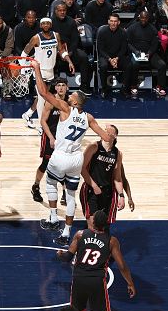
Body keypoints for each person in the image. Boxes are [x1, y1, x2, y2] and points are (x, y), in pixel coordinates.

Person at [32, 60, 114, 246]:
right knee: (70, 195)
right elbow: (106, 139)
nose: (70, 96)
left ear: (76, 101)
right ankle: (67, 232)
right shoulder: (89, 117)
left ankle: (53, 218)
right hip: (77, 159)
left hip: (61, 155)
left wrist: (37, 69)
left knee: (51, 183)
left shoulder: (65, 108)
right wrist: (110, 131)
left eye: (73, 95)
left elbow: (44, 92)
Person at [56, 210, 136, 311]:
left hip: (79, 280)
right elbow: (122, 266)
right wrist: (130, 283)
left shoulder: (80, 234)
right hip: (97, 282)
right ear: (105, 224)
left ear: (93, 222)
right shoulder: (112, 241)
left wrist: (60, 254)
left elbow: (67, 258)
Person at [21, 17, 75, 131]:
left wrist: (69, 61)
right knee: (42, 98)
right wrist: (23, 68)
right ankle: (42, 126)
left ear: (51, 25)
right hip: (39, 71)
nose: (45, 25)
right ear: (40, 26)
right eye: (43, 24)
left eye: (48, 23)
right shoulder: (36, 38)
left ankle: (28, 114)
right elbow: (24, 52)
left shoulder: (56, 35)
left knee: (45, 97)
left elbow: (62, 50)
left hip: (50, 71)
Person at [80, 124, 126, 229]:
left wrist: (122, 196)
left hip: (107, 193)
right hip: (91, 190)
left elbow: (117, 179)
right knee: (93, 226)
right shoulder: (94, 147)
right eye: (104, 130)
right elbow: (81, 168)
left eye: (107, 131)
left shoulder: (117, 153)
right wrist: (94, 186)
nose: (103, 132)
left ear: (114, 136)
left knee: (104, 227)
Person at [31, 77, 70, 203]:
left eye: (63, 85)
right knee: (46, 164)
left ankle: (64, 192)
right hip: (50, 135)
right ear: (55, 88)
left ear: (67, 87)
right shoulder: (51, 101)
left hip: (63, 138)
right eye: (58, 85)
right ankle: (36, 186)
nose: (61, 88)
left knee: (64, 165)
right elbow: (42, 121)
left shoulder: (70, 101)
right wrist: (51, 138)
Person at [52, 2, 92, 95]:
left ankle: (84, 86)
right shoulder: (51, 23)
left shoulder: (71, 22)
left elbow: (75, 40)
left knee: (83, 57)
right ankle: (54, 86)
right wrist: (60, 52)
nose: (62, 12)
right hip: (56, 51)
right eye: (60, 11)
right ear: (56, 11)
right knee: (50, 59)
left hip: (70, 51)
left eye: (64, 10)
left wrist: (70, 52)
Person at [127, 10, 167, 96]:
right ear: (139, 18)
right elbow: (128, 43)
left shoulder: (153, 29)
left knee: (162, 65)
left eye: (145, 18)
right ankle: (133, 86)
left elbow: (155, 44)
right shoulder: (132, 28)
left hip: (149, 54)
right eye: (142, 18)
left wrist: (150, 53)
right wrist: (135, 51)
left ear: (148, 18)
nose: (143, 20)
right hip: (135, 53)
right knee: (134, 64)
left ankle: (160, 87)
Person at [96, 14, 134, 98]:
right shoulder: (102, 32)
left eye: (115, 21)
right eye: (112, 21)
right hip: (106, 57)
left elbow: (124, 49)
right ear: (108, 22)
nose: (113, 23)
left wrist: (117, 58)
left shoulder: (123, 32)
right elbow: (100, 49)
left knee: (129, 65)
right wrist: (110, 59)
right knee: (103, 66)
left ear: (119, 22)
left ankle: (125, 89)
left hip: (118, 57)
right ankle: (104, 89)